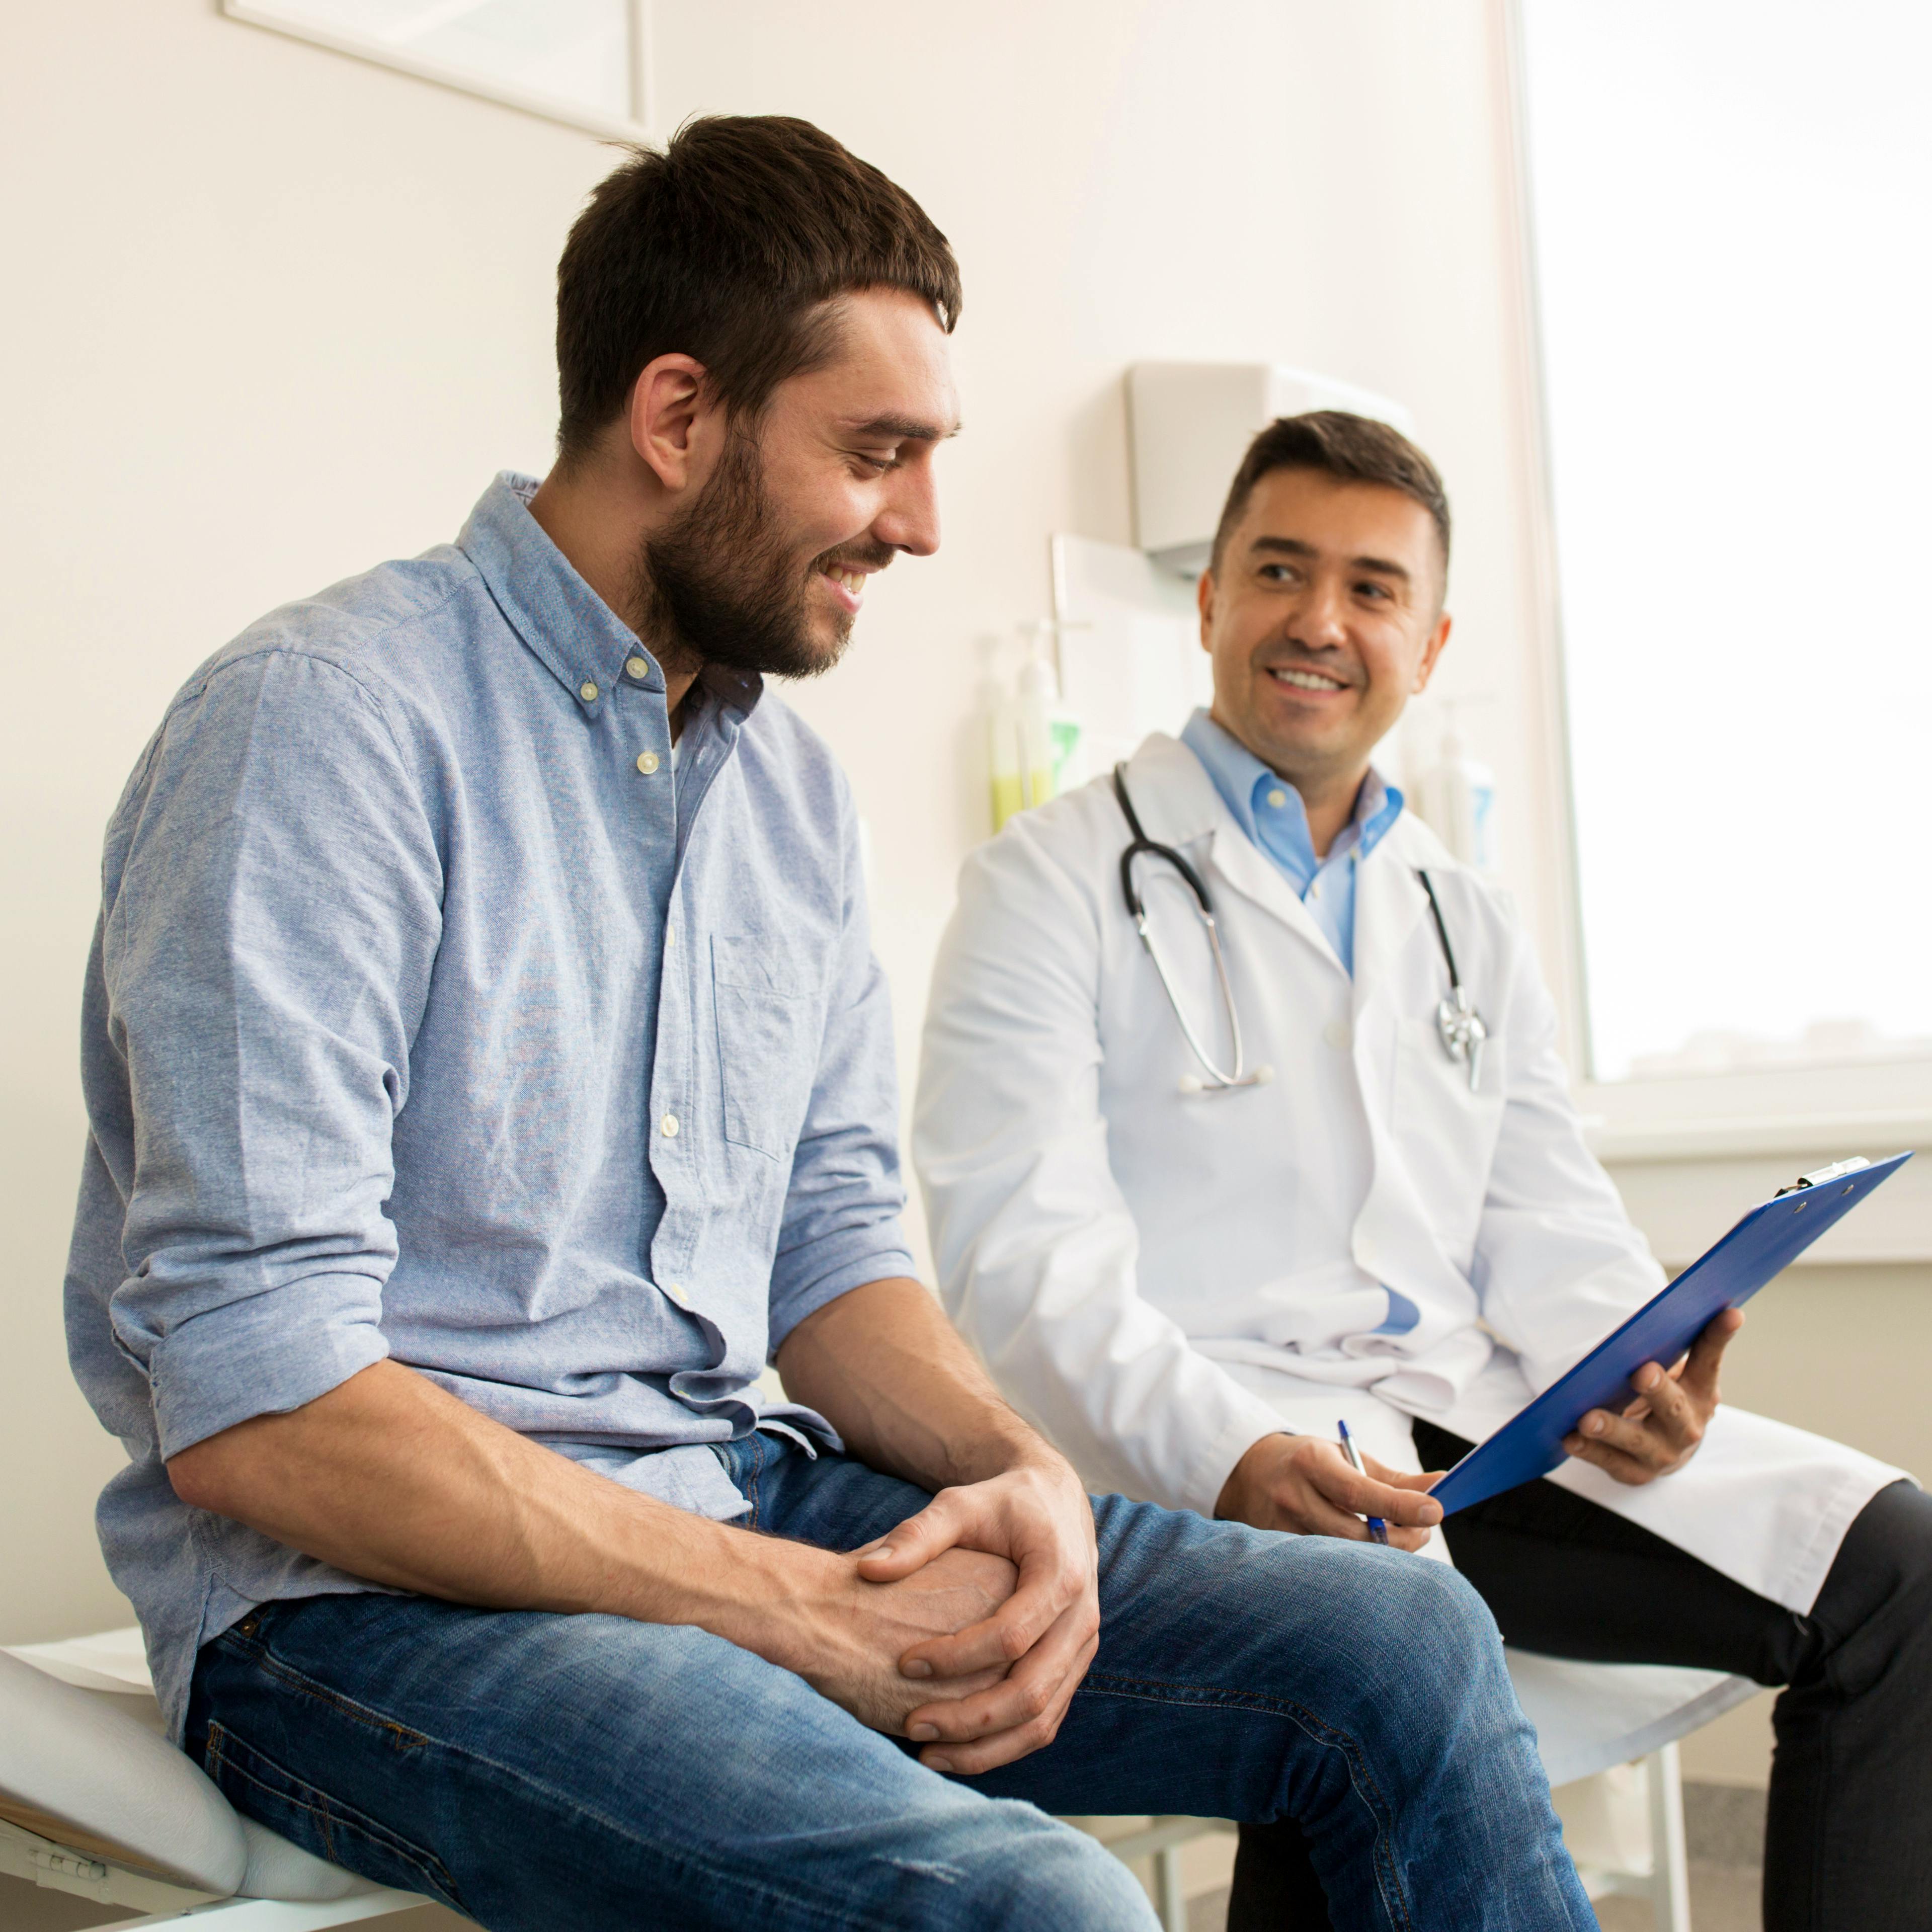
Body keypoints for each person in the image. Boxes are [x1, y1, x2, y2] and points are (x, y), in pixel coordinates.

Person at [63, 121, 1596, 1932]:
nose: (924, 524)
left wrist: (1020, 1474)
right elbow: (266, 1411)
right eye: (876, 455)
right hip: (363, 1606)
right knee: (1047, 1909)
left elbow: (833, 1260)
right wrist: (782, 1607)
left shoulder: (783, 797)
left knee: (1401, 1638)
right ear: (679, 417)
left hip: (736, 1489)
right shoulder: (324, 729)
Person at [913, 410, 1932, 1932]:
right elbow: (1022, 1269)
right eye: (1279, 569)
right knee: (1370, 1659)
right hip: (1204, 1454)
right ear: (1210, 601)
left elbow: (1548, 1219)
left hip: (1472, 1436)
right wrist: (1234, 1456)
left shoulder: (1460, 908)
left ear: (1431, 640)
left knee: (1898, 1569)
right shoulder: (1047, 883)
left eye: (1373, 588)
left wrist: (1634, 1376)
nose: (1321, 621)